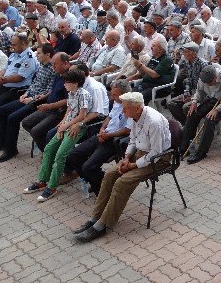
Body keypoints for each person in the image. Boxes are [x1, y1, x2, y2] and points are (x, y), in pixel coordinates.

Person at [73, 92, 171, 242]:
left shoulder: (153, 122)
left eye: (125, 108)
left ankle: (103, 225)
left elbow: (156, 153)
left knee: (122, 182)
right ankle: (95, 217)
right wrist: (126, 158)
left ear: (137, 108)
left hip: (158, 159)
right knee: (109, 175)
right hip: (140, 153)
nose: (123, 111)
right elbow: (132, 140)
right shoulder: (134, 117)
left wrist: (132, 165)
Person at [23, 69, 92, 202]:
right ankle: (42, 180)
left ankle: (52, 186)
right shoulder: (71, 93)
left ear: (76, 83)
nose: (64, 84)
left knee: (61, 155)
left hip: (75, 128)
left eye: (67, 82)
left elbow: (82, 115)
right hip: (66, 126)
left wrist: (66, 126)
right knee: (49, 148)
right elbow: (69, 109)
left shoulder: (83, 94)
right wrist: (61, 124)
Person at [179, 65, 221, 164]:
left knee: (209, 119)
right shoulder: (203, 78)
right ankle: (185, 147)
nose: (208, 85)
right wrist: (194, 102)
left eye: (210, 82)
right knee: (192, 114)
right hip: (211, 100)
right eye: (206, 83)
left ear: (215, 77)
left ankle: (201, 152)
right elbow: (199, 92)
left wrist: (217, 110)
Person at [134, 36, 175, 103]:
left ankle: (140, 112)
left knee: (139, 97)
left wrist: (141, 65)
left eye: (154, 46)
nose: (151, 47)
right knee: (131, 94)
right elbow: (144, 72)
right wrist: (138, 66)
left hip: (160, 88)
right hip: (147, 84)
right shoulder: (154, 57)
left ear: (160, 49)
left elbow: (154, 75)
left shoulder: (167, 59)